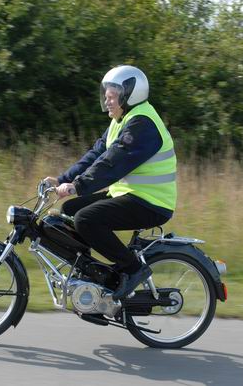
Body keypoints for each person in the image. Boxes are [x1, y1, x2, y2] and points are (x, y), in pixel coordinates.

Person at [45, 65, 177, 300]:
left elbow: (112, 162)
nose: (106, 101)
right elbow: (96, 154)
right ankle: (91, 273)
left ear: (129, 96)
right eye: (105, 96)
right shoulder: (121, 120)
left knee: (86, 219)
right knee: (70, 209)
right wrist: (63, 179)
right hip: (128, 195)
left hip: (151, 202)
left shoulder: (143, 124)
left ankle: (133, 270)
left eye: (112, 96)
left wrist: (78, 186)